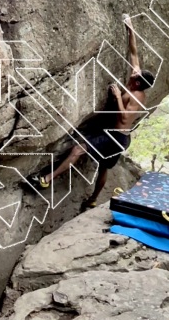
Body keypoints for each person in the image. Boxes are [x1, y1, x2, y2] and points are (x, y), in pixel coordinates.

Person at [30, 15, 155, 209]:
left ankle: (46, 179)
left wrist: (116, 96)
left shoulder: (137, 96)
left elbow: (124, 117)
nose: (133, 72)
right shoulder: (136, 79)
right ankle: (93, 199)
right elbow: (134, 53)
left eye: (136, 75)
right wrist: (130, 28)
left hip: (116, 138)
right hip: (116, 137)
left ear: (139, 83)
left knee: (78, 150)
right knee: (103, 167)